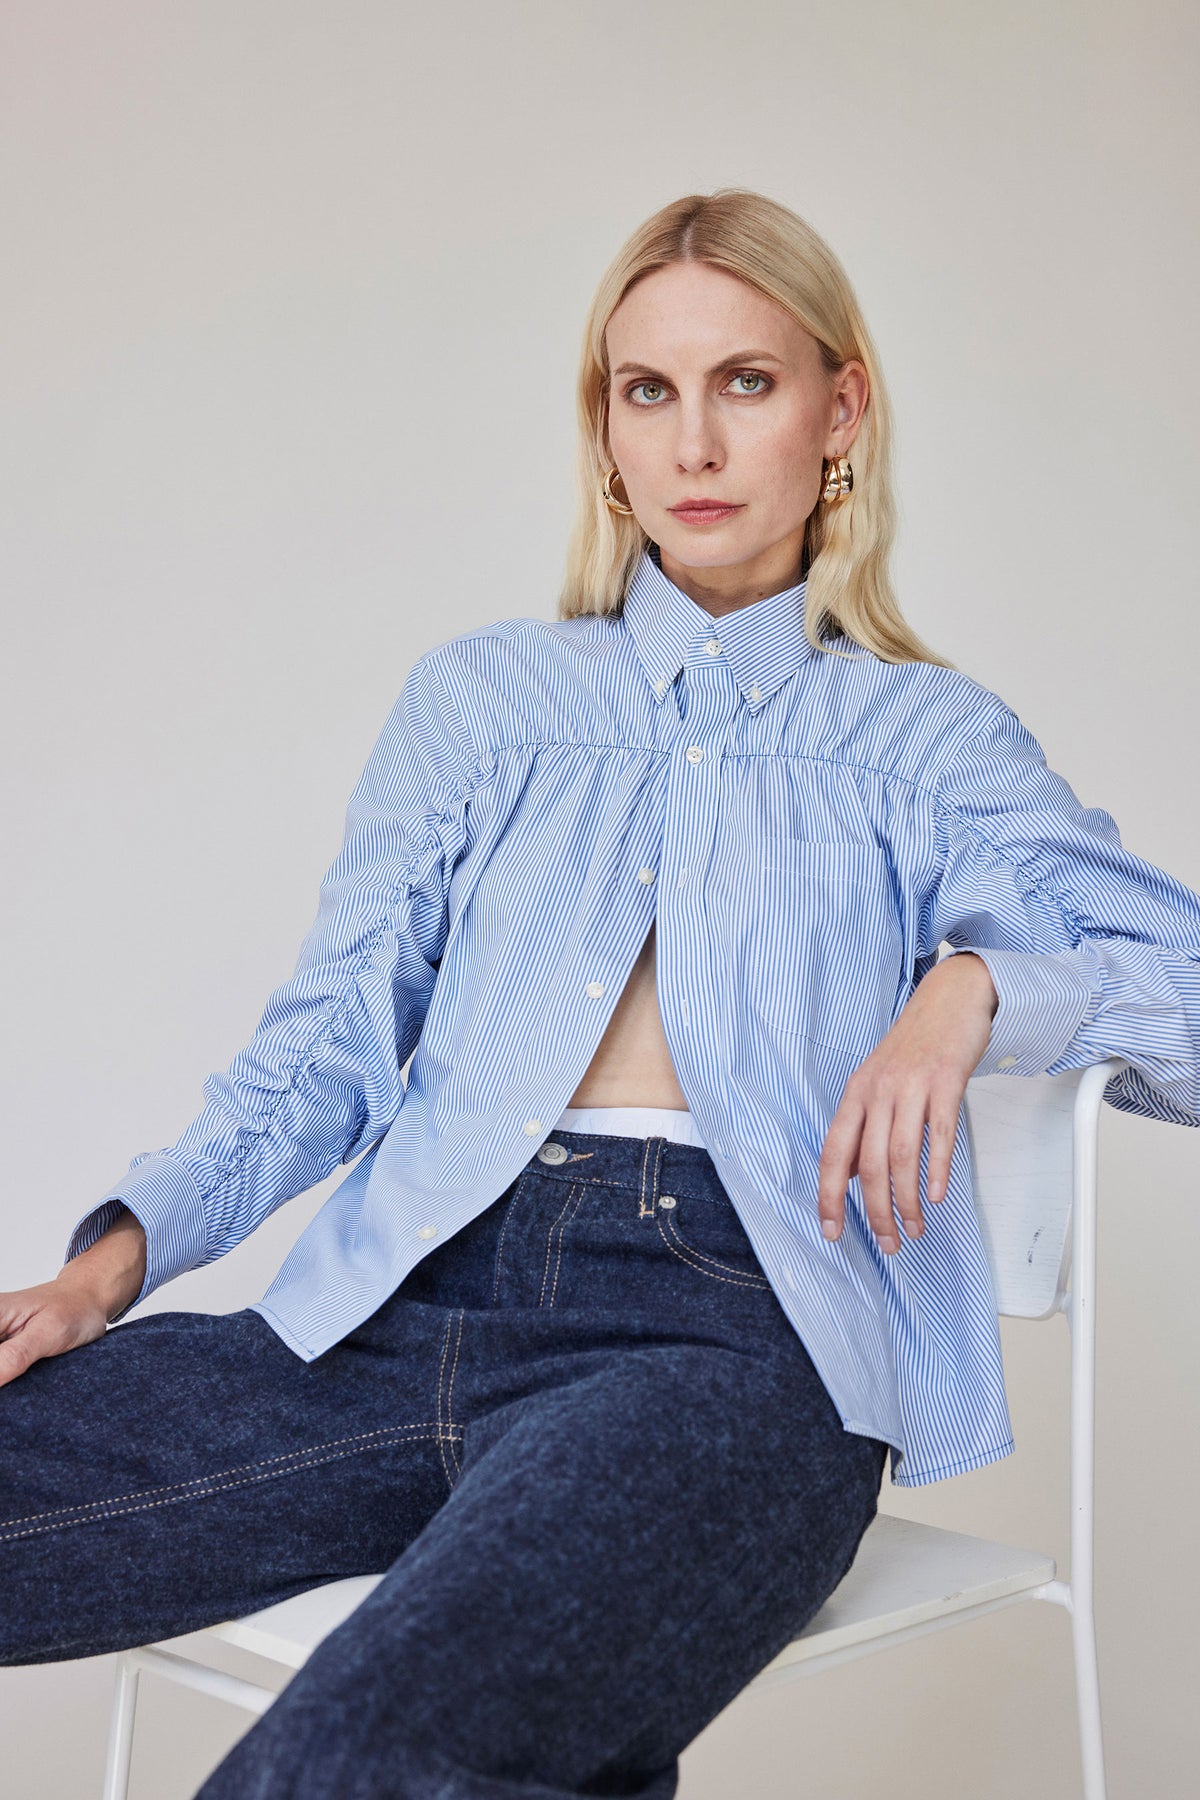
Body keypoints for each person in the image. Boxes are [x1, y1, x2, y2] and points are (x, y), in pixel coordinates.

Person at [3, 186, 1199, 1800]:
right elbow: (329, 1046)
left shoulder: (927, 745)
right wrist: (111, 1268)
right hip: (402, 1312)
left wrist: (983, 987)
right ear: (608, 432)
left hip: (728, 1356)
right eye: (650, 391)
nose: (694, 443)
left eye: (746, 383)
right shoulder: (483, 706)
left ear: (841, 410)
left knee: (362, 1756)